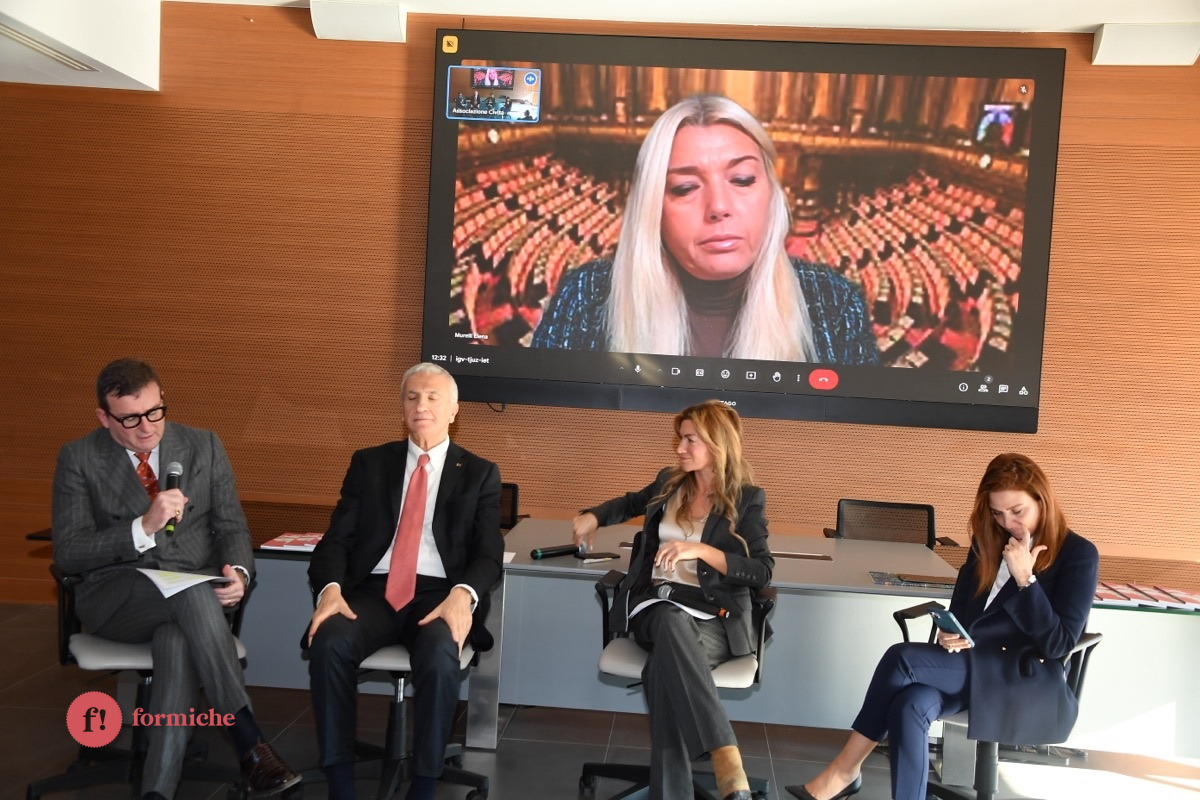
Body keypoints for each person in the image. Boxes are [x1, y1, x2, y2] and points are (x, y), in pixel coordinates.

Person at [51, 359, 300, 800]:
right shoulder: (79, 458)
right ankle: (249, 740)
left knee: (177, 640)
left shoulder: (203, 445)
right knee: (194, 594)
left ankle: (157, 792)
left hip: (191, 606)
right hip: (118, 598)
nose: (147, 428)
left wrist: (240, 573)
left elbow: (232, 528)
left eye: (154, 412)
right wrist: (142, 528)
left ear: (163, 399)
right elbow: (69, 552)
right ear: (104, 417)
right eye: (130, 419)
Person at [787, 453, 1100, 800]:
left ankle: (845, 770)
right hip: (970, 663)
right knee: (910, 703)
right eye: (997, 513)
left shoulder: (1078, 554)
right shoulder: (987, 541)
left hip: (1020, 675)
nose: (1007, 522)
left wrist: (1026, 580)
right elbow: (963, 610)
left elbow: (1058, 644)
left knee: (901, 658)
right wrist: (949, 632)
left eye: (1017, 511)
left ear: (1042, 500)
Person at [532, 94, 878, 364]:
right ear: (652, 209)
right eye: (685, 188)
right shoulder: (584, 296)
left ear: (772, 195)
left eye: (742, 180)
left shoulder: (835, 302)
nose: (718, 207)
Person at [305, 362, 503, 800]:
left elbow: (489, 555)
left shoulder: (480, 473)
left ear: (454, 410)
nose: (421, 405)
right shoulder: (370, 463)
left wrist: (463, 595)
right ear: (401, 408)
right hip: (371, 592)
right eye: (412, 397)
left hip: (438, 593)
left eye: (433, 397)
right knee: (330, 641)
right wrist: (330, 591)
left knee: (439, 650)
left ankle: (425, 785)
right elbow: (336, 539)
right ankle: (340, 783)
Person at [573, 400, 774, 800]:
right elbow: (629, 503)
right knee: (668, 619)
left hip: (713, 618)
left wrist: (701, 550)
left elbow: (761, 571)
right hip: (654, 606)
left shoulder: (747, 498)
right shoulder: (670, 483)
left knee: (662, 670)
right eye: (679, 439)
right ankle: (725, 755)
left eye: (689, 440)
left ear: (717, 443)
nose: (679, 448)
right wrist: (594, 515)